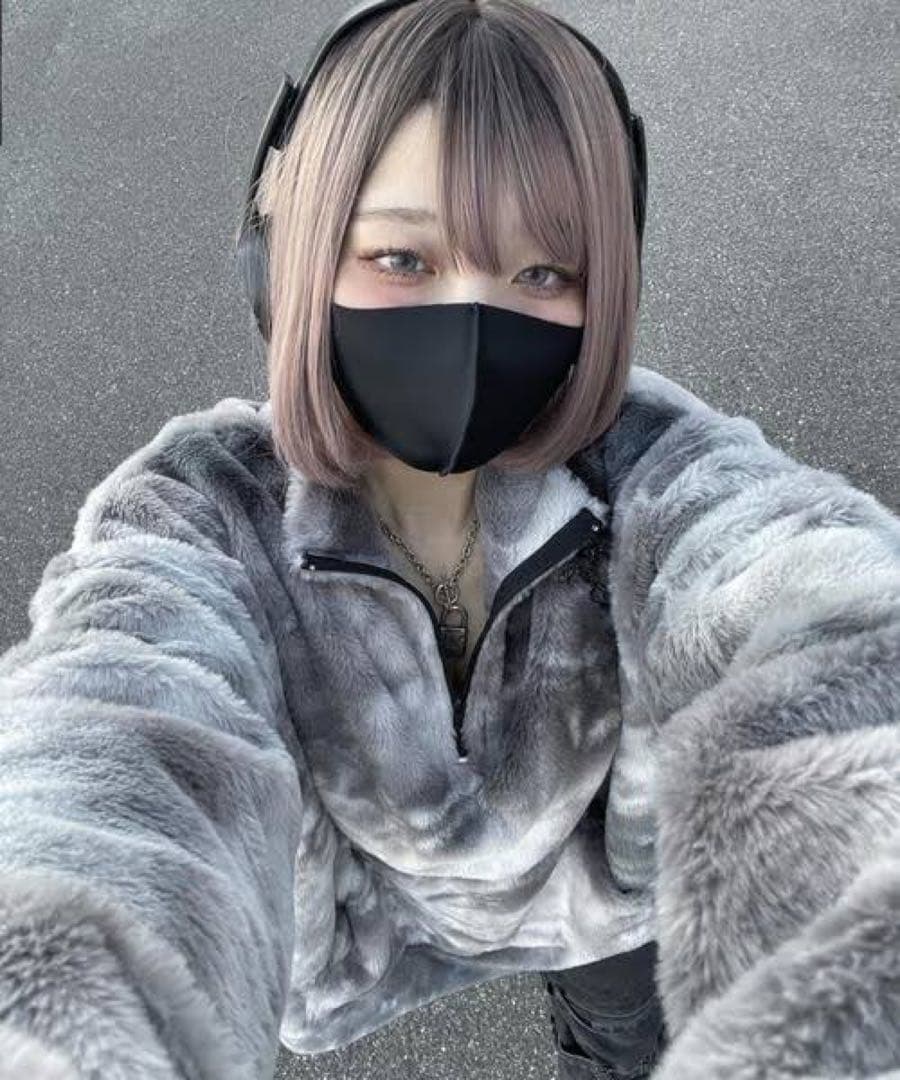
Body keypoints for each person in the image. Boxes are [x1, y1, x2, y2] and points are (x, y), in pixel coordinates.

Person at [0, 3, 897, 1079]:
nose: (472, 322)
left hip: (599, 918)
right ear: (286, 259)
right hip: (366, 944)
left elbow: (805, 603)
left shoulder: (657, 470)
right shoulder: (202, 511)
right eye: (403, 256)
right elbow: (118, 742)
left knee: (622, 1039)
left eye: (542, 274)